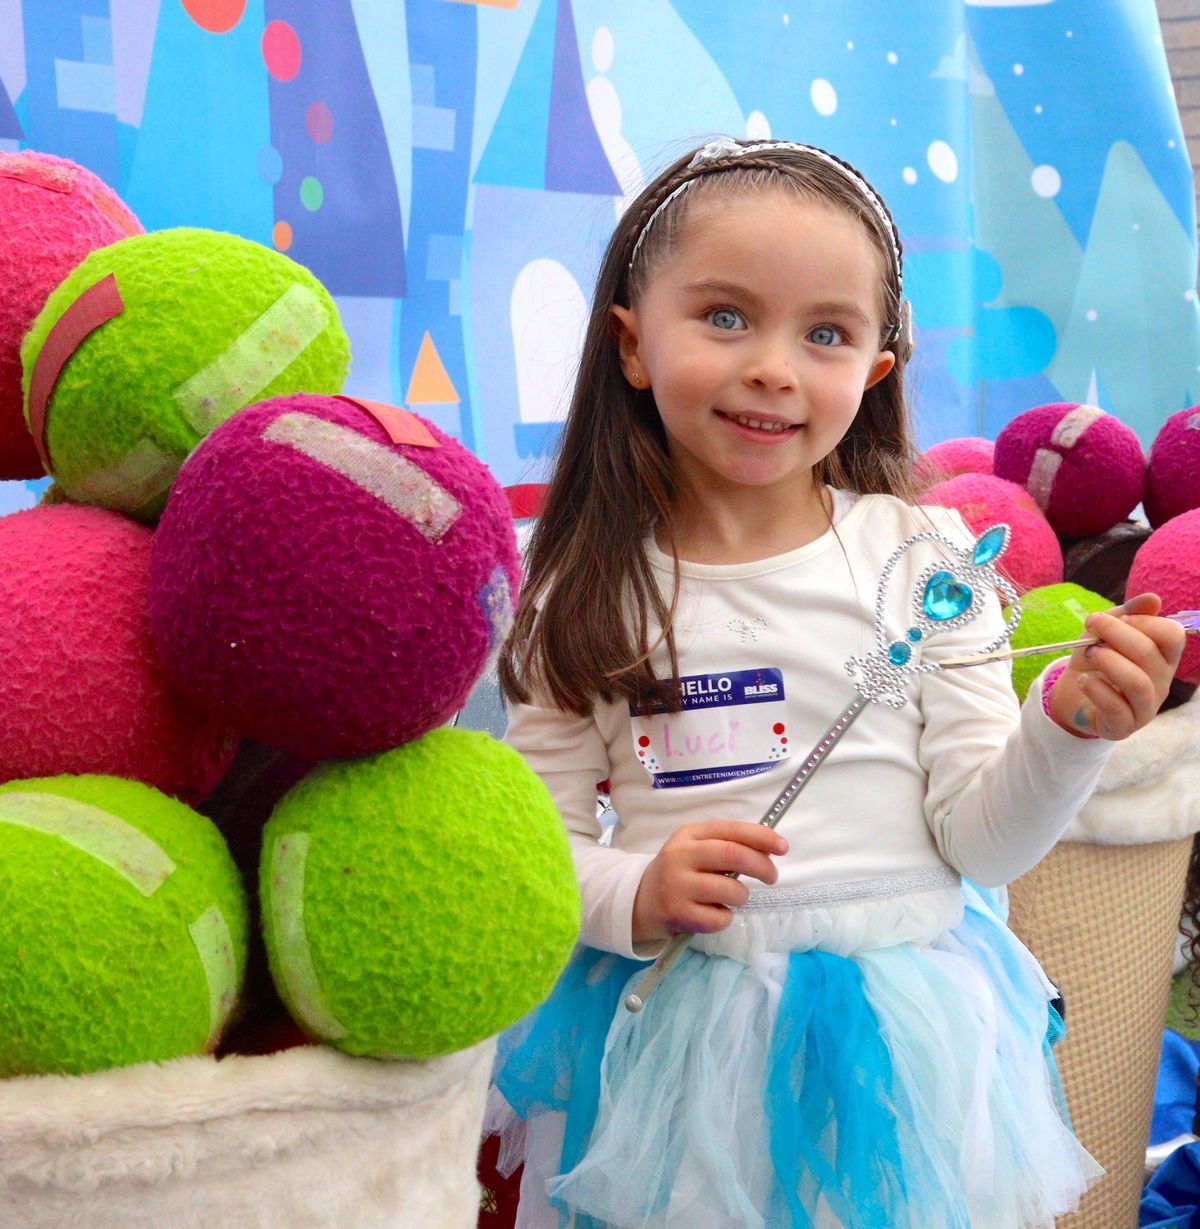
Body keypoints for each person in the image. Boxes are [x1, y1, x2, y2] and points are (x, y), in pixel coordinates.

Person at [488, 137, 1188, 1228]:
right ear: (631, 344)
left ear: (874, 370)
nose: (775, 366)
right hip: (683, 1055)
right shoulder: (583, 594)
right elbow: (535, 852)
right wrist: (637, 890)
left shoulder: (927, 563)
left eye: (825, 334)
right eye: (725, 316)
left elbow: (983, 843)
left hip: (906, 1041)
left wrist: (1069, 730)